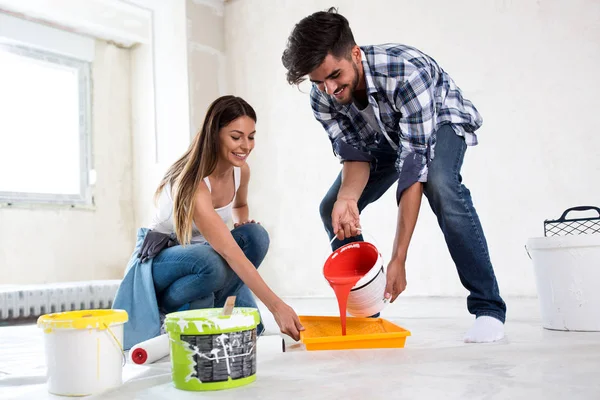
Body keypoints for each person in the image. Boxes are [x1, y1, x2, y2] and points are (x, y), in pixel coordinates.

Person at [281, 8, 506, 343]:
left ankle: (488, 309)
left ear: (355, 54)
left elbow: (413, 168)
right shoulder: (322, 97)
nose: (329, 89)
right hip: (382, 137)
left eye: (335, 75)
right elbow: (356, 156)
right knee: (333, 207)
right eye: (318, 81)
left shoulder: (405, 73)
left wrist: (399, 259)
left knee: (441, 186)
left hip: (439, 122)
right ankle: (366, 310)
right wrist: (347, 199)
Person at [113, 95, 303, 349]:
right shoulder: (193, 184)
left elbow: (240, 205)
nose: (245, 146)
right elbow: (230, 253)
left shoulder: (240, 171)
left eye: (251, 136)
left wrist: (242, 222)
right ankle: (167, 311)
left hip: (204, 257)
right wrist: (277, 306)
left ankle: (215, 309)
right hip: (162, 260)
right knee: (211, 263)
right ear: (215, 135)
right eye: (236, 137)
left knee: (256, 235)